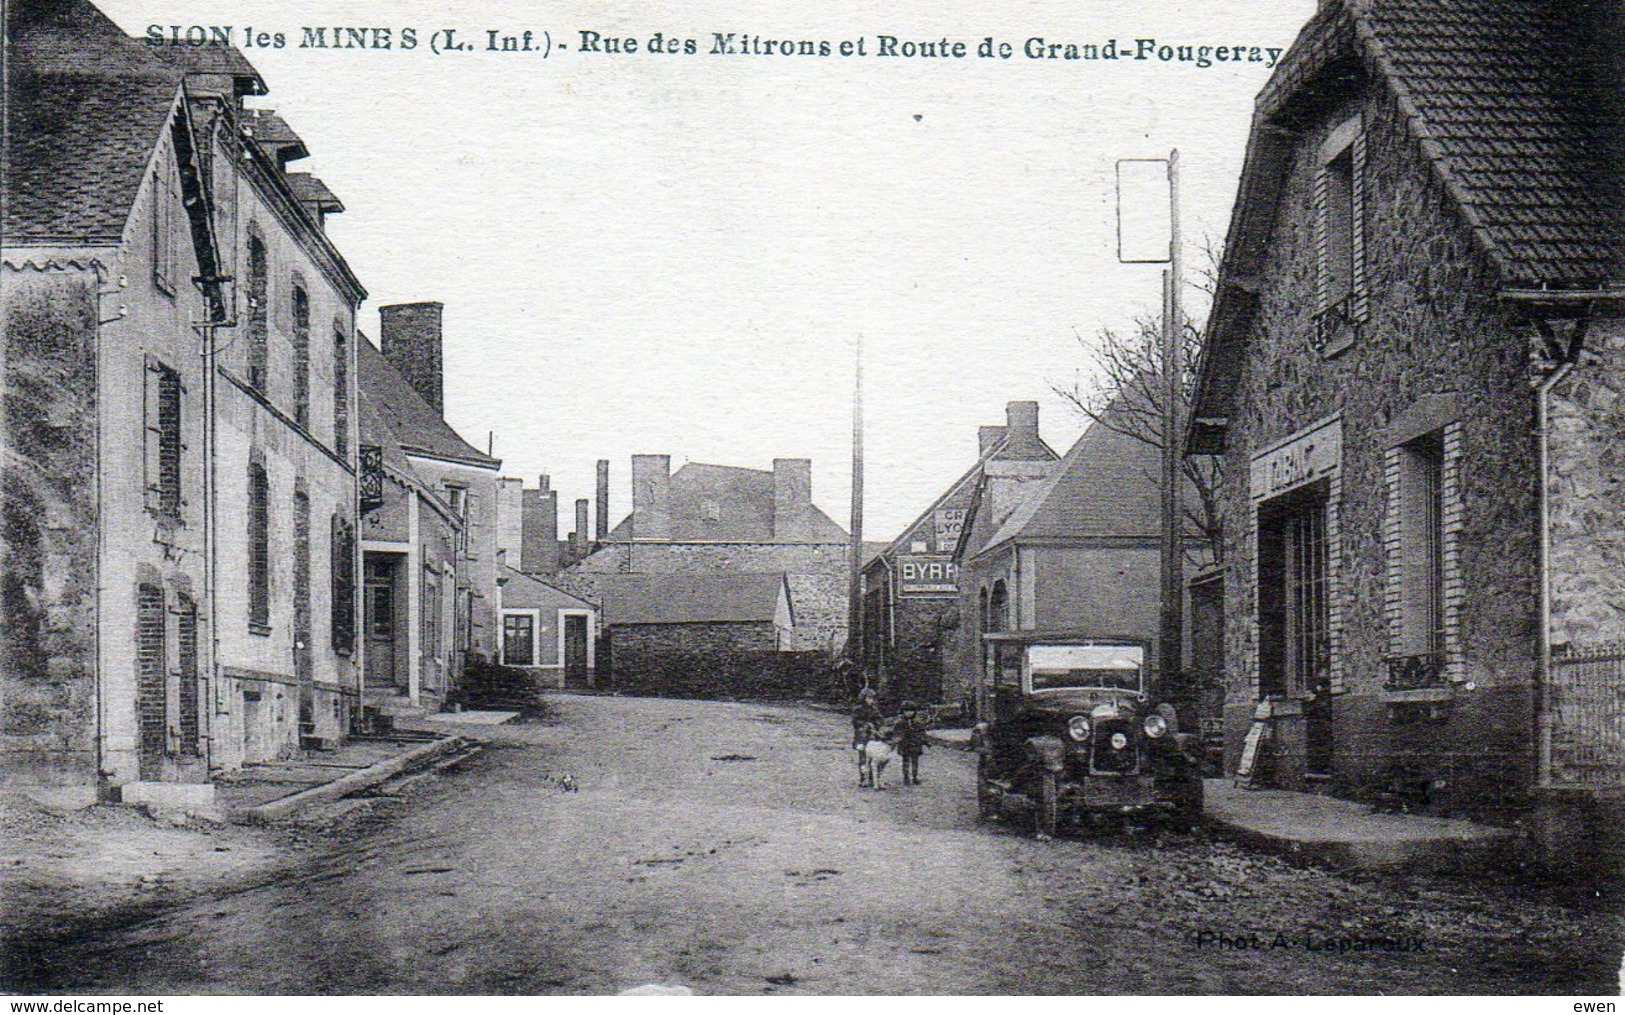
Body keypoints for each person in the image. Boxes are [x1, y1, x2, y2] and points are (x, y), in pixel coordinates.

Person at [895, 700, 928, 786]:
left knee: (915, 761)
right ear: (903, 712)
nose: (909, 713)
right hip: (905, 745)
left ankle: (914, 777)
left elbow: (922, 732)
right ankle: (906, 777)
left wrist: (923, 741)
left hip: (915, 744)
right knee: (905, 761)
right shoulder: (900, 723)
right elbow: (897, 733)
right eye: (906, 711)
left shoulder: (917, 722)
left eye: (911, 710)